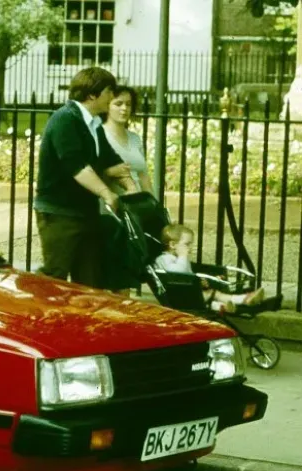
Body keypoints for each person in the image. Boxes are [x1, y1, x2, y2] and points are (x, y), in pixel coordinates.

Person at [34, 66, 137, 288]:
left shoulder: (94, 123)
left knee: (90, 281)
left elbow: (110, 159)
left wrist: (130, 186)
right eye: (109, 91)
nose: (113, 96)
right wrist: (106, 193)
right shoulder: (65, 120)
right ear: (92, 95)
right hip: (59, 213)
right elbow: (77, 166)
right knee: (54, 276)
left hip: (86, 213)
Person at [155, 224, 264, 312]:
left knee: (211, 296)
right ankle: (243, 299)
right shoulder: (164, 259)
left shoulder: (179, 259)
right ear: (173, 245)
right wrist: (183, 256)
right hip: (180, 297)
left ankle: (223, 307)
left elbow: (186, 276)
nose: (190, 248)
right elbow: (178, 274)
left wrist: (198, 282)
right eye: (187, 244)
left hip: (188, 293)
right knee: (214, 293)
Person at [103, 85, 153, 194]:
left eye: (128, 104)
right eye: (118, 104)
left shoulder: (135, 138)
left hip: (137, 206)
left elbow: (143, 176)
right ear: (107, 106)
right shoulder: (100, 135)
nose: (124, 108)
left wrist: (153, 206)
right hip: (111, 207)